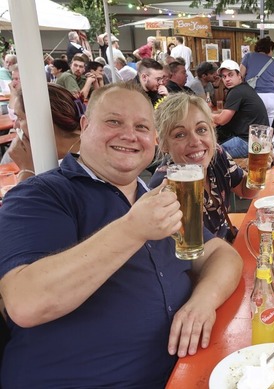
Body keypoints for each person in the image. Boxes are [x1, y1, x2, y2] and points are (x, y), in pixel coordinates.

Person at [0, 82, 243, 387]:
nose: (129, 135)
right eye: (113, 121)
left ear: (154, 140)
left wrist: (203, 301)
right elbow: (26, 302)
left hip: (184, 373)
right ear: (85, 126)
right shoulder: (44, 193)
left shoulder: (157, 196)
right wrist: (133, 229)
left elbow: (223, 254)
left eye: (141, 126)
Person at [150, 93, 260, 240]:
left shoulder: (217, 154)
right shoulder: (166, 187)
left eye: (201, 129)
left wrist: (257, 171)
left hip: (224, 243)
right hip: (204, 259)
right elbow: (189, 250)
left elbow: (244, 190)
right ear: (163, 144)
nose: (195, 141)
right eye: (180, 134)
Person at [3, 84, 82, 180]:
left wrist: (27, 171)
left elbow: (31, 194)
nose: (15, 126)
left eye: (20, 118)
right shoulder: (40, 151)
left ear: (42, 121)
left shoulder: (84, 161)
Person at [213, 59, 269, 158]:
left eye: (231, 75)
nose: (227, 79)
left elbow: (222, 120)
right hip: (259, 141)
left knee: (212, 155)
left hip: (249, 143)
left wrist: (203, 114)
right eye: (224, 76)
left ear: (239, 76)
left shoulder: (237, 91)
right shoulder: (245, 88)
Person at [240, 36, 274, 127]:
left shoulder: (248, 57)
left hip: (254, 96)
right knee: (267, 129)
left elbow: (240, 76)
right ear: (269, 49)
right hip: (271, 97)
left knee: (253, 128)